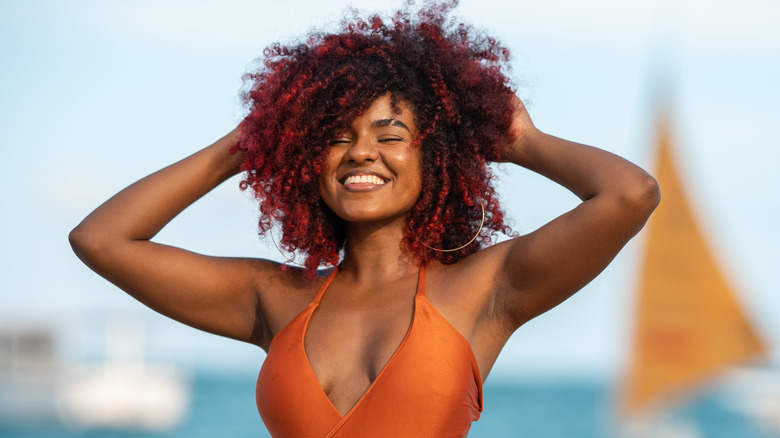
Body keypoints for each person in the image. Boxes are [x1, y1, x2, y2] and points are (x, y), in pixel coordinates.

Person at [69, 3, 660, 437]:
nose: (360, 153)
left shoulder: (484, 287)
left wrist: (524, 140)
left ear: (437, 155)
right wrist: (247, 144)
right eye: (335, 137)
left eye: (391, 136)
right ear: (306, 157)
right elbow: (100, 239)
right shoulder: (273, 298)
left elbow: (629, 195)